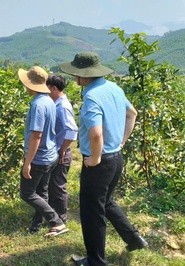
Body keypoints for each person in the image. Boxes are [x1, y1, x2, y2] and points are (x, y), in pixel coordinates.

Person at [58, 52, 147, 266]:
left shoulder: (91, 97)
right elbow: (132, 113)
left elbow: (96, 134)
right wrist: (121, 141)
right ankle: (134, 239)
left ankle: (95, 261)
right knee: (106, 202)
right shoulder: (114, 88)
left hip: (100, 163)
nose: (73, 77)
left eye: (75, 73)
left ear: (82, 75)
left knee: (91, 212)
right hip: (116, 158)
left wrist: (95, 159)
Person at [18, 66, 69, 237]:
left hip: (38, 158)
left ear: (30, 84)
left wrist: (27, 163)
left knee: (26, 193)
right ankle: (35, 225)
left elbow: (36, 136)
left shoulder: (38, 104)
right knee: (42, 192)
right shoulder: (48, 100)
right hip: (50, 155)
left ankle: (56, 221)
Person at [46, 74, 78, 224]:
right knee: (53, 185)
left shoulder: (63, 107)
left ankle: (61, 220)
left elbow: (72, 131)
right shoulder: (57, 104)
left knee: (58, 187)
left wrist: (62, 150)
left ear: (53, 88)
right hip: (58, 151)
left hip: (61, 152)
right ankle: (53, 217)